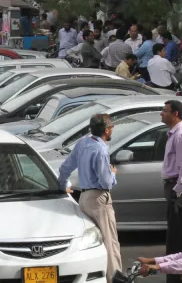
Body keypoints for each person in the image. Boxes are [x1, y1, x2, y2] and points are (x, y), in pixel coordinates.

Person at [58, 114, 121, 282]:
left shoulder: (83, 143)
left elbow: (65, 168)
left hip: (84, 198)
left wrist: (62, 185)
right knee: (110, 243)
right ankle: (115, 279)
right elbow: (105, 182)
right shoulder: (100, 150)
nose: (112, 129)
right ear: (106, 130)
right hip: (99, 199)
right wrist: (113, 174)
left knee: (91, 242)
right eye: (111, 126)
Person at [160, 100, 182, 282]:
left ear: (175, 114)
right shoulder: (173, 134)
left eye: (165, 111)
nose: (161, 113)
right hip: (173, 187)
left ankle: (179, 278)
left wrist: (178, 191)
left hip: (179, 188)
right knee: (175, 236)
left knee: (177, 240)